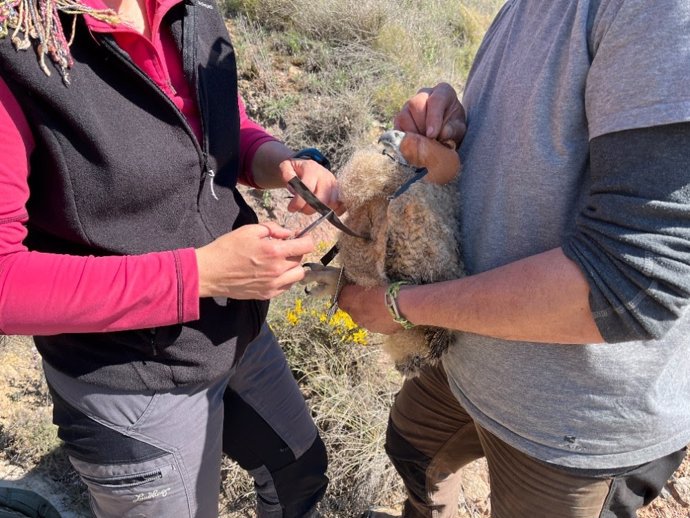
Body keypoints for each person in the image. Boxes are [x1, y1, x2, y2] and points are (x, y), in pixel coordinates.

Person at [339, 1, 690, 517]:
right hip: (469, 358)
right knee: (412, 450)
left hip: (574, 426)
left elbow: (631, 283)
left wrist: (399, 305)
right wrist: (456, 122)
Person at [0, 0, 340, 515]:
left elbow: (214, 122)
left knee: (300, 474)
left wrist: (275, 160)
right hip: (127, 377)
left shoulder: (187, 8)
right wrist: (199, 274)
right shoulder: (18, 41)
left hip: (231, 328)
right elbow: (6, 283)